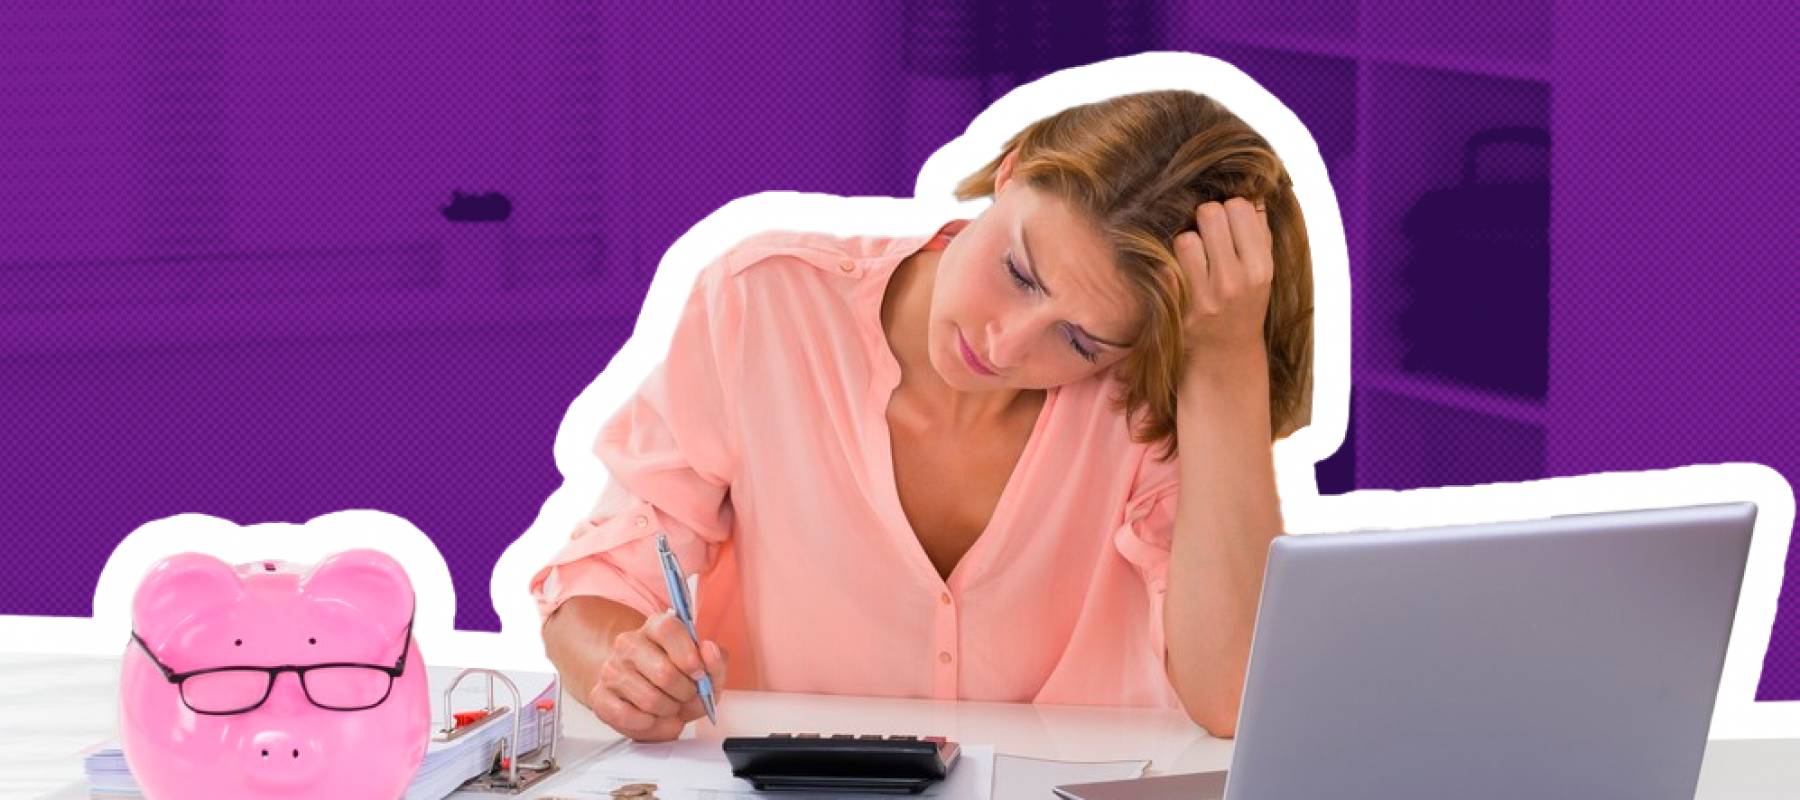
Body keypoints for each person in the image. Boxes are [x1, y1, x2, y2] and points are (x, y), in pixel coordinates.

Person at [531, 89, 1314, 742]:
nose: (1003, 344)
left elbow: (1230, 697)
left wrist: (1225, 367)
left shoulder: (1151, 397)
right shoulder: (764, 305)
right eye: (1019, 272)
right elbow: (596, 583)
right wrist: (625, 669)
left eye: (1080, 340)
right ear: (1012, 171)